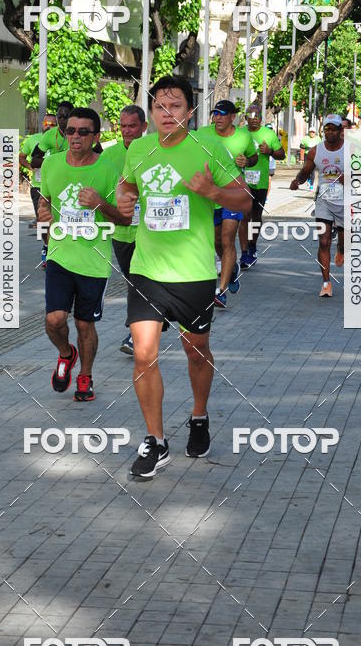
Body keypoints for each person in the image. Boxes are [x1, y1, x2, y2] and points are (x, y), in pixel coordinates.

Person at [116, 77, 251, 478]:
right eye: (160, 106)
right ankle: (156, 441)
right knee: (143, 354)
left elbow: (244, 197)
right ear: (151, 112)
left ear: (189, 112)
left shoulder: (209, 149)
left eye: (175, 106)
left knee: (196, 351)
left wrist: (213, 191)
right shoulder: (139, 148)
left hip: (193, 272)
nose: (167, 113)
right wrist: (125, 195)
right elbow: (127, 186)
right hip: (147, 269)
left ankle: (198, 415)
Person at [38, 108, 129, 402]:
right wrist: (42, 214)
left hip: (93, 260)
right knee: (54, 320)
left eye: (82, 132)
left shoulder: (106, 169)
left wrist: (101, 203)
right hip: (60, 255)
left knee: (84, 324)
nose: (75, 136)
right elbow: (45, 201)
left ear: (95, 137)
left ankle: (85, 375)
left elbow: (125, 218)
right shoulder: (51, 164)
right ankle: (67, 353)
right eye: (70, 130)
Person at [194, 100, 257, 308]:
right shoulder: (202, 133)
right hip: (210, 197)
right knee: (217, 243)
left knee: (228, 239)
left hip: (232, 194)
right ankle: (231, 270)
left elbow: (254, 157)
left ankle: (220, 292)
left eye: (222, 114)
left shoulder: (244, 136)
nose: (217, 117)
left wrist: (247, 162)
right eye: (215, 114)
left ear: (232, 117)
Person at [100, 104, 148, 354]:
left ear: (144, 127)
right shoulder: (109, 156)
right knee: (134, 281)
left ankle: (135, 332)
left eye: (132, 126)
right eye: (123, 126)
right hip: (121, 231)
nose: (127, 131)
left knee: (142, 280)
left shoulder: (154, 151)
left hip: (150, 231)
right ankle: (145, 323)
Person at [290, 115, 345, 297]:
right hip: (323, 201)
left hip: (345, 201)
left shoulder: (350, 150)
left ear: (340, 131)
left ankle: (341, 249)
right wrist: (297, 181)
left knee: (344, 242)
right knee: (323, 242)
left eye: (333, 129)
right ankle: (326, 283)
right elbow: (306, 171)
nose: (329, 132)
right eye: (327, 129)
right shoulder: (316, 151)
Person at [239, 105, 285, 268]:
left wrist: (270, 151)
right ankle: (244, 254)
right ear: (245, 117)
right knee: (244, 216)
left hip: (261, 182)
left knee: (256, 216)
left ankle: (252, 245)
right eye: (249, 115)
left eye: (256, 115)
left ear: (260, 117)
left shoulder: (268, 134)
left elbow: (282, 154)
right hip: (241, 180)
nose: (252, 118)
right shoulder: (240, 133)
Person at [20, 114, 56, 266]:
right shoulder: (33, 139)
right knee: (42, 220)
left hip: (55, 186)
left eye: (52, 124)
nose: (49, 126)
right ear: (42, 124)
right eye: (46, 123)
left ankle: (54, 252)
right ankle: (47, 246)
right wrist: (31, 168)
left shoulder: (60, 140)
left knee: (54, 220)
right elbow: (21, 157)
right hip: (38, 186)